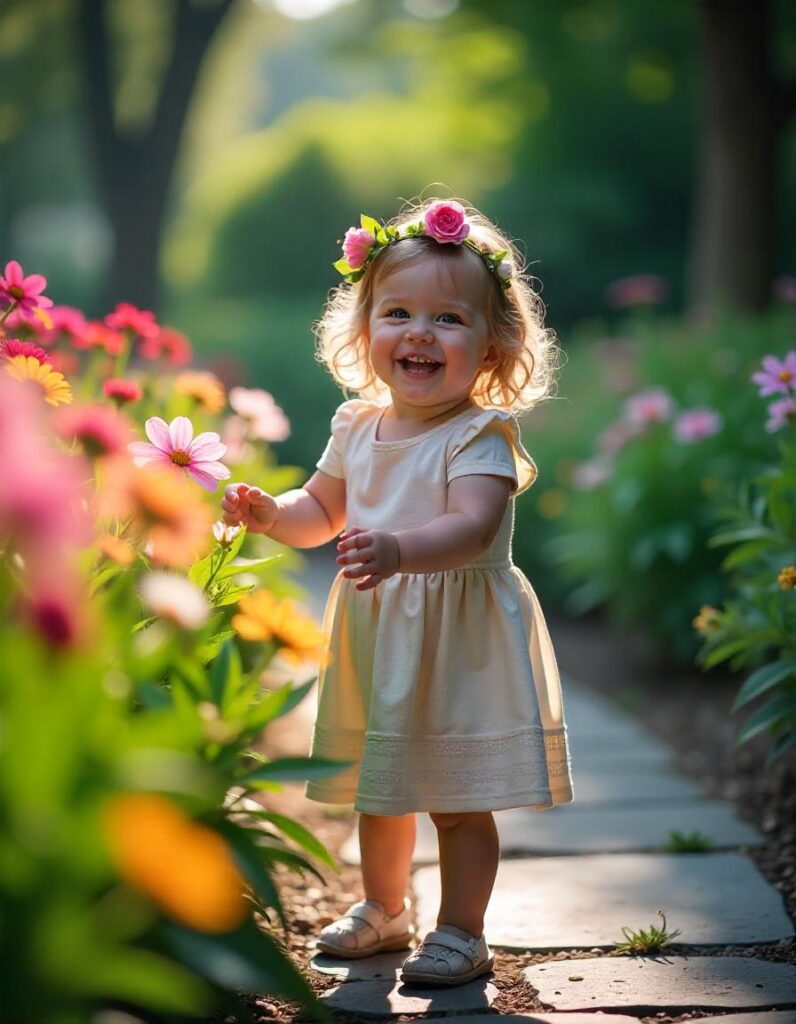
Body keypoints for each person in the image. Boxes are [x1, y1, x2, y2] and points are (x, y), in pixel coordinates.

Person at [221, 197, 574, 988]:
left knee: (452, 795)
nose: (419, 333)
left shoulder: (478, 436)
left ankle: (462, 928)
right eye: (399, 313)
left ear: (491, 347)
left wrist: (396, 548)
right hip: (380, 629)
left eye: (449, 320)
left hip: (456, 638)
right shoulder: (356, 426)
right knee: (379, 788)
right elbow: (321, 511)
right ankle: (385, 908)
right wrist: (272, 514)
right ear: (365, 329)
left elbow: (472, 528)